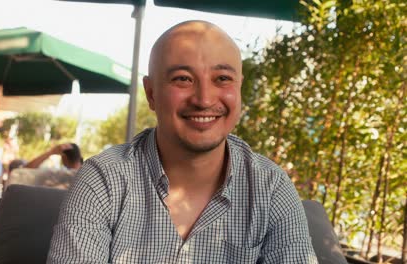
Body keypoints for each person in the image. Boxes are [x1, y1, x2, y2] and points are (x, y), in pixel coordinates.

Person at [47, 20, 317, 263]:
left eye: (222, 78)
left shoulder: (269, 188)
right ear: (151, 93)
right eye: (183, 79)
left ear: (239, 88)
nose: (204, 99)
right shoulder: (104, 181)